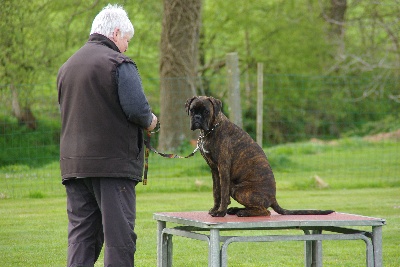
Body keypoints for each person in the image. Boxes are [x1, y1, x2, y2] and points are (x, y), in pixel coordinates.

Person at [57, 4, 157, 267]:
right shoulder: (118, 63)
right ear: (115, 33)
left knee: (82, 238)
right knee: (119, 239)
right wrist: (152, 122)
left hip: (74, 166)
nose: (126, 47)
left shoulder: (67, 67)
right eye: (126, 40)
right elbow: (138, 110)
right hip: (112, 167)